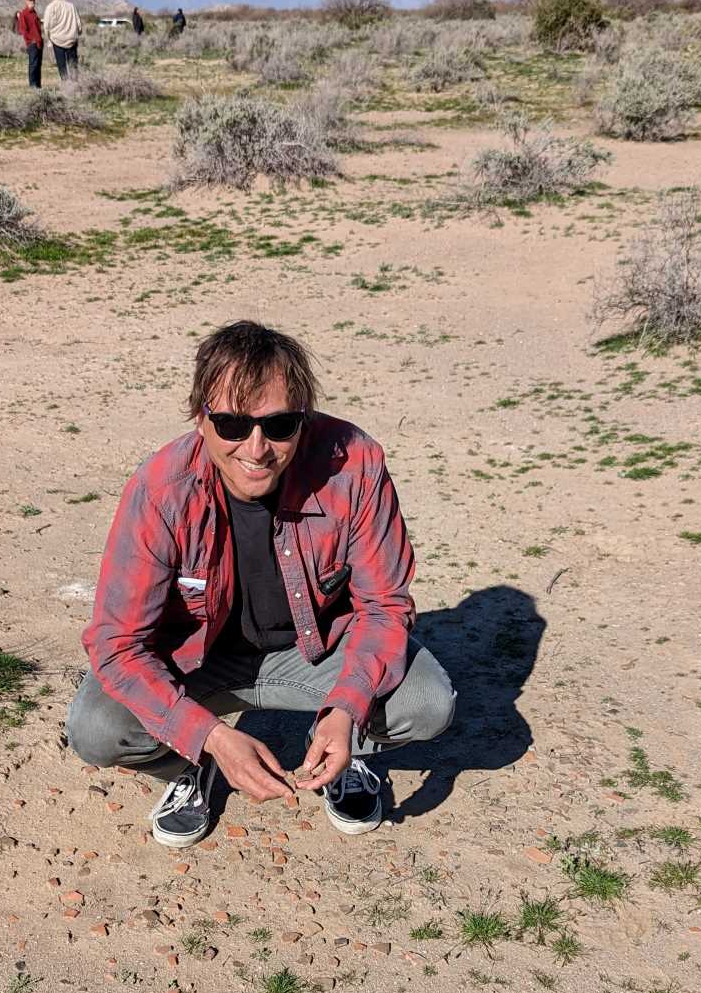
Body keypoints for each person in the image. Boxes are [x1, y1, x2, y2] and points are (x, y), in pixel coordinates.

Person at [67, 320, 455, 848]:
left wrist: (345, 711)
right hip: (196, 661)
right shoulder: (161, 488)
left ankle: (345, 752)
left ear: (305, 418)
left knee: (426, 703)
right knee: (96, 727)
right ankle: (192, 764)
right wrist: (210, 737)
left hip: (317, 651)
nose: (256, 448)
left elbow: (383, 606)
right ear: (200, 418)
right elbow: (117, 646)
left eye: (279, 425)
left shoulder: (355, 463)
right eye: (230, 424)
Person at [43, 0, 82, 78]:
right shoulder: (71, 6)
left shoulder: (51, 7)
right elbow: (78, 23)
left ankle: (66, 85)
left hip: (57, 40)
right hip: (71, 39)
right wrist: (78, 33)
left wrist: (49, 38)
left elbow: (46, 25)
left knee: (62, 65)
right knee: (73, 64)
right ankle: (75, 83)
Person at [13, 0, 43, 87]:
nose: (32, 2)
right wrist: (31, 40)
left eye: (33, 0)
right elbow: (23, 30)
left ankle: (38, 86)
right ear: (26, 2)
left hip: (39, 42)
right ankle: (33, 86)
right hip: (33, 43)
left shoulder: (34, 13)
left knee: (38, 65)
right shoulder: (24, 14)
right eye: (30, 0)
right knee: (33, 65)